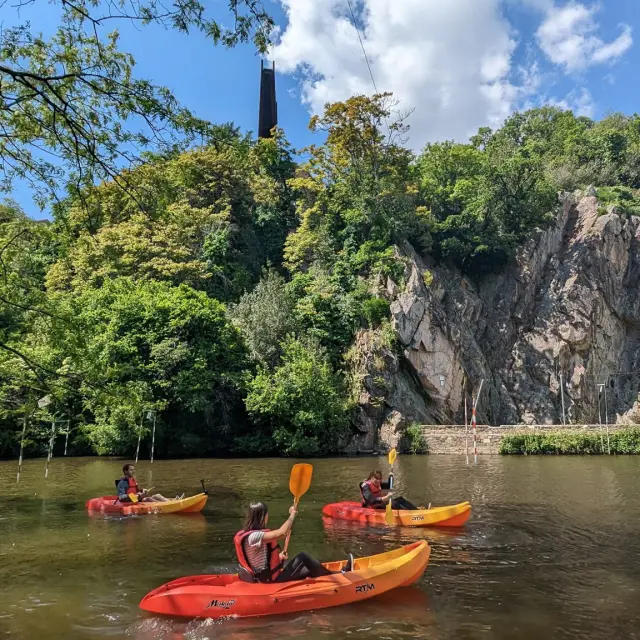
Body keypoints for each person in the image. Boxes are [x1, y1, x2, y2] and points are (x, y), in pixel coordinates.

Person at [234, 501, 353, 583]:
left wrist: (279, 557)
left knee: (308, 569)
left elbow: (257, 560)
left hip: (265, 577)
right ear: (261, 516)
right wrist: (292, 515)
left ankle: (337, 574)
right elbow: (282, 533)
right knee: (303, 557)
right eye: (266, 514)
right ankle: (339, 575)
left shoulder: (249, 535)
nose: (267, 516)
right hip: (270, 580)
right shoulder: (254, 536)